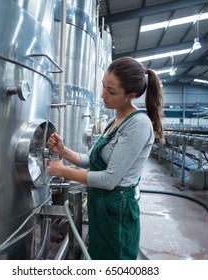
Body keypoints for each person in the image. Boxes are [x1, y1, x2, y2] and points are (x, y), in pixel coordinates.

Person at [47, 56, 165, 260]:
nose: (103, 95)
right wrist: (63, 150)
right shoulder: (115, 120)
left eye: (111, 91)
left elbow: (110, 180)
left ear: (132, 94)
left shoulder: (138, 124)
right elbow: (91, 159)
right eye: (103, 87)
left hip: (117, 208)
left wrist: (64, 171)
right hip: (102, 205)